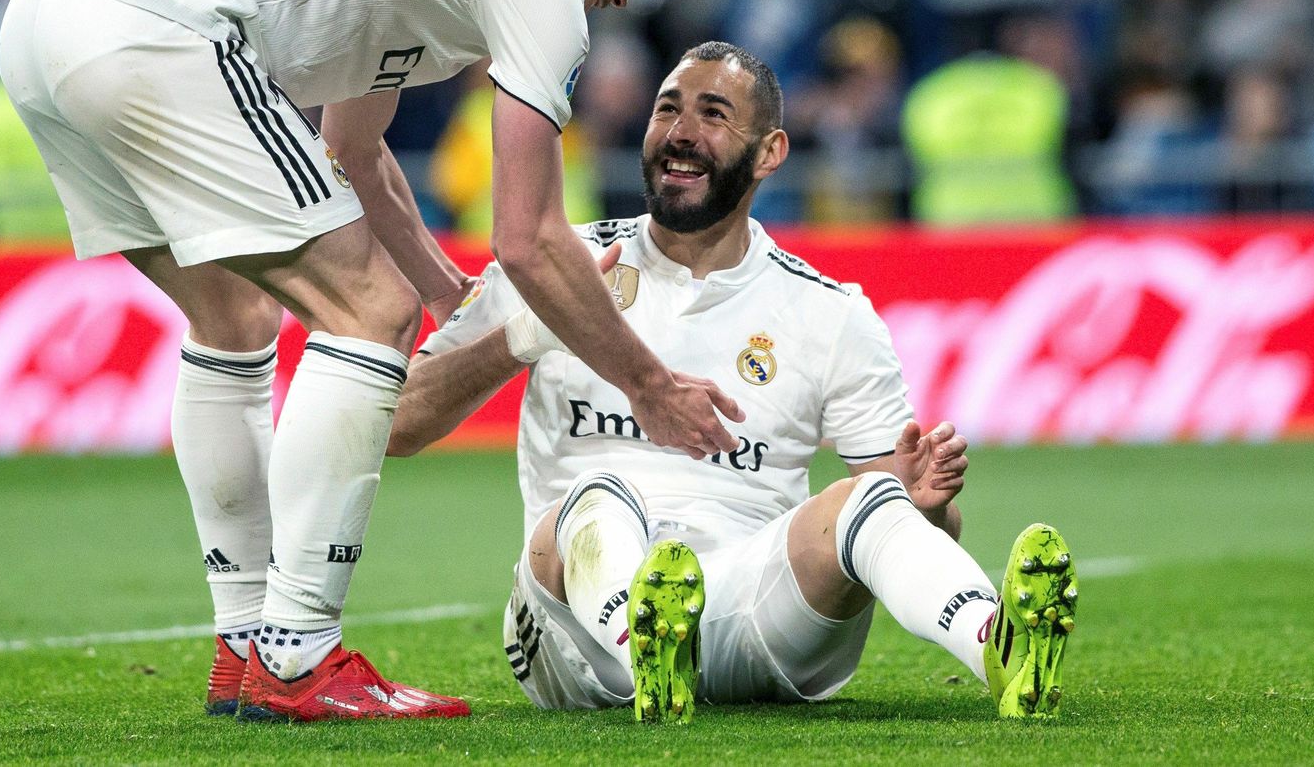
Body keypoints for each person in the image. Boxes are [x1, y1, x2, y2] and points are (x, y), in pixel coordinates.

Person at [0, 0, 745, 723]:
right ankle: (298, 652)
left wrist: (450, 295)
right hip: (160, 25)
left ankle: (244, 647)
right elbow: (530, 235)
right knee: (368, 313)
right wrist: (651, 387)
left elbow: (352, 150)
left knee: (236, 316)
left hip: (47, 21)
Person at [390, 42, 1079, 722]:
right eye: (667, 109)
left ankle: (999, 642)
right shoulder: (556, 265)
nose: (680, 133)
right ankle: (646, 648)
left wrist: (922, 503)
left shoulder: (831, 312)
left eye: (713, 114)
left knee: (867, 495)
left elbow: (914, 528)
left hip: (753, 602)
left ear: (771, 152)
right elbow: (397, 423)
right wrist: (525, 334)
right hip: (574, 632)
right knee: (598, 498)